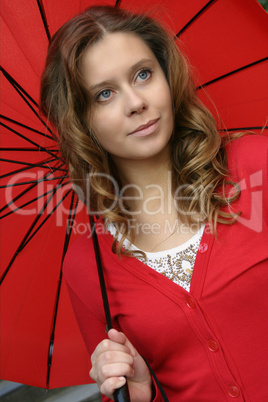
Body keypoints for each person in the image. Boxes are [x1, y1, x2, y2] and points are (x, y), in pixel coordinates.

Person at [40, 5, 268, 401]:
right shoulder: (86, 267)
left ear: (167, 75)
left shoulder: (255, 165)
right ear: (80, 121)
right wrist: (142, 393)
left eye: (143, 74)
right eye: (104, 94)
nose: (135, 102)